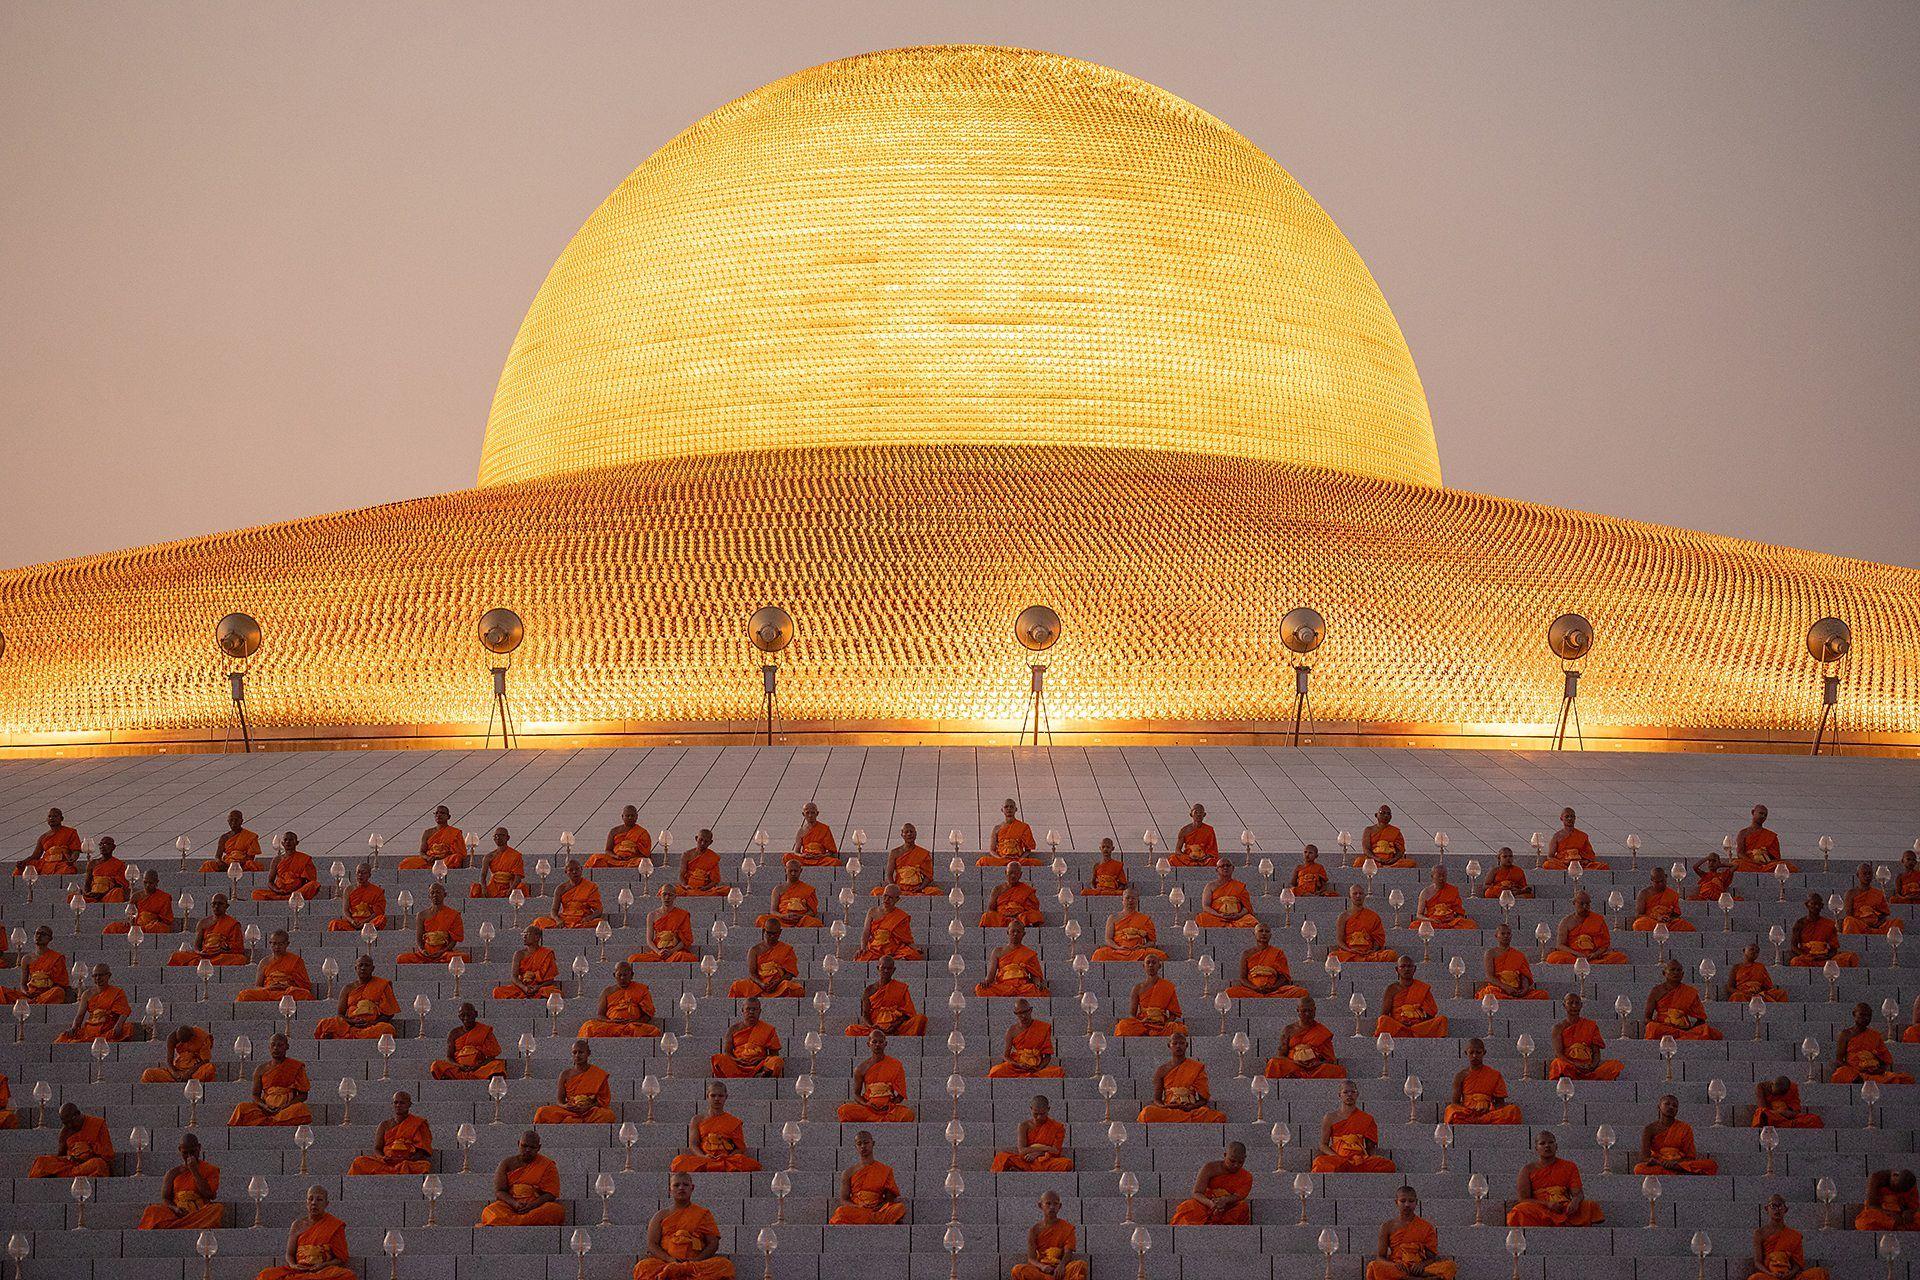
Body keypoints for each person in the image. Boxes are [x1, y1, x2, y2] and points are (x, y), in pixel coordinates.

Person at [633, 1172, 734, 1280]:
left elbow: (713, 1243)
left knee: (724, 1265)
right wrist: (669, 1259)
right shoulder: (660, 1215)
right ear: (670, 1190)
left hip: (694, 1264)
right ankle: (675, 1271)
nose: (681, 1188)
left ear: (692, 1188)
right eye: (676, 1185)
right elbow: (652, 1244)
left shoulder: (703, 1214)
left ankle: (673, 1273)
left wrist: (695, 1261)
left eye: (685, 1185)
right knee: (643, 1267)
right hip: (667, 1262)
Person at [1506, 1131, 1604, 1225]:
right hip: (1540, 1207)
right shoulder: (1527, 1169)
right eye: (1542, 1143)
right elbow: (1523, 1199)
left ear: (1556, 1146)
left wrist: (1575, 1202)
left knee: (1590, 1205)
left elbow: (1578, 1193)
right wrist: (1547, 1204)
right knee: (1519, 1210)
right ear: (1536, 1148)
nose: (1547, 1146)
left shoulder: (1569, 1166)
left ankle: (1557, 1221)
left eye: (1551, 1142)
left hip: (1563, 1207)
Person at [256, 1186, 352, 1280]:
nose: (314, 1203)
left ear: (326, 1204)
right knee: (265, 1275)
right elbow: (289, 1254)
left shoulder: (334, 1225)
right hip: (299, 1271)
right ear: (306, 1203)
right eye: (310, 1199)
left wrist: (324, 1265)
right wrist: (293, 1265)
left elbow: (341, 1258)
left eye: (319, 1200)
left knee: (347, 1275)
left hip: (322, 1271)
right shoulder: (297, 1225)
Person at [1366, 1186, 1457, 1280]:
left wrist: (1421, 1265)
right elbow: (1380, 1257)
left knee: (1450, 1266)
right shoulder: (1387, 1226)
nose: (1407, 1205)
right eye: (1403, 1201)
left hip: (1418, 1268)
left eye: (1411, 1201)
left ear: (1416, 1202)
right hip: (1399, 1267)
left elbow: (1431, 1257)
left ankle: (1408, 1278)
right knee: (1373, 1266)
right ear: (1396, 1202)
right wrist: (1395, 1264)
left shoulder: (1426, 1226)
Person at [479, 1130, 566, 1225]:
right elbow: (499, 1191)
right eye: (524, 1146)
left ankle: (511, 1223)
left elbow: (551, 1194)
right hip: (511, 1205)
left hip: (536, 1206)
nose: (528, 1150)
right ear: (518, 1144)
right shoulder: (506, 1163)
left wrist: (532, 1205)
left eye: (532, 1147)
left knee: (555, 1210)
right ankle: (523, 1222)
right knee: (489, 1211)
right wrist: (514, 1203)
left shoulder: (548, 1165)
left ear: (539, 1148)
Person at [138, 1133, 224, 1229]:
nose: (189, 1156)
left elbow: (209, 1194)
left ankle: (177, 1226)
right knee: (152, 1210)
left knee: (217, 1208)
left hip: (199, 1211)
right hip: (178, 1213)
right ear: (180, 1150)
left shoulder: (211, 1169)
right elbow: (166, 1198)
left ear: (199, 1148)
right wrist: (175, 1209)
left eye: (193, 1152)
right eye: (185, 1153)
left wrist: (195, 1171)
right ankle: (187, 1225)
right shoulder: (173, 1173)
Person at [669, 1082, 760, 1173]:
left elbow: (740, 1148)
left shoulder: (734, 1121)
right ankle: (716, 1166)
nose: (717, 1099)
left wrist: (728, 1157)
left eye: (720, 1096)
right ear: (707, 1097)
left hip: (725, 1159)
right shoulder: (697, 1120)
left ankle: (716, 1166)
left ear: (726, 1097)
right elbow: (693, 1145)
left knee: (750, 1163)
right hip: (705, 1158)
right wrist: (703, 1156)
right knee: (679, 1161)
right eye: (713, 1095)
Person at [1138, 1031, 1225, 1122]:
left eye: (1181, 1043)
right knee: (1147, 1113)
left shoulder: (1196, 1067)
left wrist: (1191, 1107)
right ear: (1169, 1046)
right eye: (1174, 1043)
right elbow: (1157, 1099)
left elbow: (1203, 1100)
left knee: (1219, 1117)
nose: (1178, 1046)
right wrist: (1165, 1106)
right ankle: (1184, 1119)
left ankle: (1183, 1118)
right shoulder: (1162, 1070)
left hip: (1190, 1110)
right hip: (1170, 1109)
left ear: (1186, 1045)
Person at [1311, 1080, 1395, 1172]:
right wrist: (1336, 1157)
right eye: (1345, 1092)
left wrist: (1370, 1160)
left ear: (1357, 1094)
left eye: (1353, 1092)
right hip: (1338, 1158)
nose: (1349, 1095)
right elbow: (1323, 1145)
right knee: (1319, 1163)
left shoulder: (1367, 1118)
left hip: (1359, 1159)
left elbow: (1370, 1147)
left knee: (1388, 1165)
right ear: (1340, 1095)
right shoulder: (1330, 1117)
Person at [229, 1033, 313, 1126]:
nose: (276, 1048)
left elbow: (303, 1095)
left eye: (280, 1045)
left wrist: (285, 1106)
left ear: (287, 1047)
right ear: (269, 1047)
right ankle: (274, 1121)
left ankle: (266, 1122)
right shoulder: (261, 1069)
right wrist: (264, 1106)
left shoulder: (296, 1066)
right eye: (273, 1045)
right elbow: (255, 1095)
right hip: (265, 1109)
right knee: (242, 1108)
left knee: (301, 1108)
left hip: (286, 1109)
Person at [828, 1129, 906, 1224]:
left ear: (873, 1143)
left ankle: (869, 1219)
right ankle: (875, 1220)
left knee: (899, 1208)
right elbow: (844, 1199)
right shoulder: (848, 1172)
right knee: (841, 1212)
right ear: (855, 1147)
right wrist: (858, 1207)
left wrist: (878, 1206)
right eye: (859, 1144)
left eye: (866, 1143)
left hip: (877, 1209)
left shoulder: (886, 1170)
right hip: (858, 1209)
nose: (863, 1146)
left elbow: (889, 1198)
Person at [347, 1090, 433, 1175]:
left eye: (402, 1103)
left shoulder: (418, 1123)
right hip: (386, 1162)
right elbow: (377, 1148)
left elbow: (422, 1150)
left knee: (424, 1165)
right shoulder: (384, 1125)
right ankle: (395, 1171)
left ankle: (396, 1170)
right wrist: (383, 1158)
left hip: (406, 1162)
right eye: (395, 1102)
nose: (398, 1105)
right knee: (359, 1162)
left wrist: (409, 1159)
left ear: (409, 1105)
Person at [837, 1029, 915, 1122]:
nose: (877, 1044)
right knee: (843, 1110)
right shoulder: (861, 1068)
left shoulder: (896, 1065)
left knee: (908, 1114)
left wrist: (891, 1104)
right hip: (869, 1107)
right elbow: (856, 1094)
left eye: (881, 1042)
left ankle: (875, 1119)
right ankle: (881, 1120)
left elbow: (901, 1094)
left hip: (889, 1108)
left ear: (885, 1044)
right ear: (868, 1044)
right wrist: (866, 1104)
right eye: (874, 1042)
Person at [533, 1039, 618, 1123]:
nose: (577, 1055)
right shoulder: (565, 1074)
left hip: (589, 1111)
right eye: (574, 1052)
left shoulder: (598, 1074)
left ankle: (573, 1121)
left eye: (580, 1052)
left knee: (608, 1115)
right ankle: (575, 1120)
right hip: (570, 1110)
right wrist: (566, 1106)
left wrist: (587, 1107)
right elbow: (560, 1101)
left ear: (588, 1053)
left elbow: (602, 1101)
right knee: (541, 1112)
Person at [314, 954, 398, 1039]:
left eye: (367, 965)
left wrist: (372, 1023)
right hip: (351, 1025)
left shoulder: (382, 985)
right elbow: (340, 1014)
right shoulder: (347, 988)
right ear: (356, 968)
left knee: (387, 1029)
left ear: (373, 968)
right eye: (360, 965)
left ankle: (348, 1036)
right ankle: (353, 1035)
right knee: (325, 1023)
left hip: (372, 1025)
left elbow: (389, 1014)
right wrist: (352, 1021)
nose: (363, 968)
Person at [1748, 1193, 1829, 1280]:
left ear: (1786, 1210)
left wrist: (1789, 1274)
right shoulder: (1760, 1233)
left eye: (1780, 1206)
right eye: (1773, 1206)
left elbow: (1797, 1264)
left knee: (1820, 1273)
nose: (1777, 1210)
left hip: (1789, 1276)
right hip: (1770, 1276)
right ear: (1766, 1209)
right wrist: (1771, 1274)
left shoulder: (1794, 1235)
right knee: (1755, 1278)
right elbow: (1757, 1262)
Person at [1012, 1190, 1088, 1280]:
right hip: (1042, 1270)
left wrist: (1061, 1265)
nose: (1052, 1207)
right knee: (1017, 1270)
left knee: (1081, 1265)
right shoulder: (1034, 1230)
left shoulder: (1067, 1228)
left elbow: (1068, 1252)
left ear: (1060, 1206)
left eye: (1055, 1204)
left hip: (1060, 1270)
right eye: (1048, 1204)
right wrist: (1042, 1267)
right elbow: (1031, 1259)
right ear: (1040, 1206)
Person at [1442, 1037, 1521, 1124]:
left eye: (1478, 1052)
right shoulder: (1460, 1075)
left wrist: (1487, 1106)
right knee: (1450, 1110)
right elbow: (1455, 1102)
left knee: (1513, 1110)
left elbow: (1500, 1103)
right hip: (1468, 1113)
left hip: (1488, 1113)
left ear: (1484, 1053)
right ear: (1466, 1053)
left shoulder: (1494, 1075)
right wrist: (1469, 1109)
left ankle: (1481, 1120)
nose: (1474, 1056)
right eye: (1471, 1052)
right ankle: (1475, 1120)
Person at [1168, 1142, 1252, 1225]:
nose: (1236, 1165)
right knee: (1190, 1206)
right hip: (1206, 1204)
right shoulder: (1210, 1168)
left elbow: (1238, 1197)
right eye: (1232, 1161)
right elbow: (1197, 1193)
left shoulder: (1246, 1177)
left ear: (1245, 1158)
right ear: (1225, 1155)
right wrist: (1211, 1204)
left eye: (1240, 1162)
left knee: (1242, 1207)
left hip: (1228, 1207)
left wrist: (1224, 1200)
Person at [1633, 1094, 1718, 1174]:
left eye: (1675, 1106)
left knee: (1711, 1165)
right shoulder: (1649, 1129)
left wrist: (1675, 1163)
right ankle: (1681, 1172)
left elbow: (1690, 1157)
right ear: (1659, 1107)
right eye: (1667, 1104)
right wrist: (1661, 1162)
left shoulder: (1685, 1128)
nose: (1671, 1107)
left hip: (1678, 1163)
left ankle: (1675, 1171)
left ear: (1677, 1110)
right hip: (1660, 1163)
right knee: (1639, 1168)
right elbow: (1644, 1157)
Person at [845, 955, 928, 1037]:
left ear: (893, 970)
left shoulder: (901, 987)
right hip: (876, 1027)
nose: (886, 971)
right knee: (851, 1029)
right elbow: (865, 1013)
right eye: (883, 968)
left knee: (921, 1019)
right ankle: (881, 1035)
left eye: (889, 968)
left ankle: (890, 1034)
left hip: (897, 1027)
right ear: (878, 968)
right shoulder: (869, 990)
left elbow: (907, 1013)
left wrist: (895, 1025)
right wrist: (872, 1026)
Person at [1547, 993, 1623, 1081]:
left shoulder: (1590, 1025)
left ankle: (1590, 1077)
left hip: (1587, 1066)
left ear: (1581, 1005)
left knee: (1614, 1065)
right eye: (1570, 1003)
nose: (1574, 1006)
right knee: (1557, 1063)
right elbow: (1558, 1054)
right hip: (1570, 1066)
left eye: (1577, 1003)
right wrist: (1575, 1064)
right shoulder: (1558, 1028)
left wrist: (1592, 1065)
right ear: (1564, 1005)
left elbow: (1596, 1052)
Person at [1832, 1002, 1913, 1084]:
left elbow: (1885, 1061)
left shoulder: (1875, 1035)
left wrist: (1879, 1070)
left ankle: (1865, 1082)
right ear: (1854, 1014)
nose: (1866, 1018)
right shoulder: (1846, 1034)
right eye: (1862, 1015)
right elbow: (1839, 1061)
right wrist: (1854, 1070)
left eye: (1869, 1016)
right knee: (1841, 1073)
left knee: (1906, 1079)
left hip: (1872, 1074)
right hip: (1854, 1073)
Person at [1264, 996, 1345, 1078]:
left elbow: (1331, 1060)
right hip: (1294, 1065)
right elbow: (1281, 1055)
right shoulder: (1289, 1030)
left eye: (1310, 1011)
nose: (1307, 1014)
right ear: (1298, 1010)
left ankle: (1296, 1076)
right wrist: (1295, 1062)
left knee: (1338, 1070)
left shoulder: (1322, 1031)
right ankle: (1296, 1074)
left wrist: (1318, 1063)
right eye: (1304, 1011)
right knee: (1273, 1063)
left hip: (1314, 1068)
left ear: (1315, 1010)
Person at [1642, 958, 1721, 1040]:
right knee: (1652, 1027)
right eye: (1672, 970)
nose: (1676, 972)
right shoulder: (1656, 991)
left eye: (1679, 970)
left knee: (1706, 1029)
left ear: (1682, 974)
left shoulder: (1689, 992)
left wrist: (1689, 1030)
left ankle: (1685, 1035)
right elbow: (1647, 1018)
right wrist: (1663, 1026)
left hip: (1684, 1029)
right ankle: (1683, 1036)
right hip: (1663, 1029)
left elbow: (1701, 1020)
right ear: (1664, 973)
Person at [28, 1102, 113, 1177]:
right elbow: (61, 1156)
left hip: (89, 1163)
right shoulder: (66, 1131)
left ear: (78, 1114)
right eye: (66, 1123)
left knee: (99, 1164)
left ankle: (63, 1175)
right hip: (73, 1166)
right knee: (41, 1161)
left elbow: (108, 1155)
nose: (69, 1126)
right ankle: (70, 1174)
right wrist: (71, 1157)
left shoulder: (98, 1124)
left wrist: (88, 1149)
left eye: (71, 1122)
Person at [991, 1095, 1072, 1172]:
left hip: (1045, 1160)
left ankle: (1024, 1170)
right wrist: (1046, 1148)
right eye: (1036, 1114)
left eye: (1042, 1114)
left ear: (1048, 1109)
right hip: (1027, 1160)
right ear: (1031, 1109)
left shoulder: (1058, 1127)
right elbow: (1022, 1150)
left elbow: (1056, 1151)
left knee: (1067, 1163)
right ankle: (1027, 1169)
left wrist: (1038, 1153)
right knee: (1001, 1157)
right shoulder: (1024, 1126)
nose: (1039, 1117)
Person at [1224, 922, 1307, 998]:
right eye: (1260, 931)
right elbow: (1243, 978)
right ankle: (1260, 995)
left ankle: (1267, 995)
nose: (1264, 933)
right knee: (1229, 992)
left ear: (1270, 935)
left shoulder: (1278, 953)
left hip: (1274, 990)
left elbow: (1283, 977)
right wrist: (1255, 988)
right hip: (1253, 990)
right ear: (1254, 934)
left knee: (1302, 992)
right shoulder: (1247, 953)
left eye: (1267, 931)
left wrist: (1273, 987)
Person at [580, 961, 661, 1038]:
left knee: (653, 1031)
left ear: (632, 975)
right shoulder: (607, 991)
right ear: (614, 975)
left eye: (625, 975)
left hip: (631, 1026)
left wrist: (636, 1022)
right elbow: (600, 1015)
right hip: (611, 1025)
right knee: (588, 1027)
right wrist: (610, 1021)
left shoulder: (642, 989)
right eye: (619, 975)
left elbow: (648, 1015)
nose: (622, 978)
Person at [987, 998, 1063, 1078]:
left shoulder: (1043, 1027)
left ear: (1030, 1010)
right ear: (1015, 1013)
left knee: (1058, 1071)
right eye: (1019, 1013)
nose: (1023, 1016)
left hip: (1036, 1066)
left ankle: (1033, 1074)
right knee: (995, 1071)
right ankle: (1029, 1075)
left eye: (1025, 1012)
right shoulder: (1012, 1030)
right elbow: (1006, 1056)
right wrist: (1018, 1064)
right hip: (1017, 1066)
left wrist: (1038, 1068)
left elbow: (1047, 1056)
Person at [55, 962, 130, 1042]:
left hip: (108, 1027)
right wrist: (73, 1028)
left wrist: (119, 1025)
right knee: (63, 1037)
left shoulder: (117, 992)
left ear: (109, 975)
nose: (98, 978)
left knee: (127, 1028)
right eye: (95, 975)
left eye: (101, 975)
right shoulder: (87, 994)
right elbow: (80, 1015)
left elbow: (124, 1011)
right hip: (90, 1028)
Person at [1545, 890, 1626, 964]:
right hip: (1574, 956)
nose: (1585, 907)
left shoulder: (1598, 919)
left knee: (1619, 957)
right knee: (1553, 958)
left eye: (1587, 904)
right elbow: (1560, 945)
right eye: (1581, 903)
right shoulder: (1566, 922)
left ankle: (1592, 962)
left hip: (1594, 956)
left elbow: (1605, 945)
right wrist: (1577, 954)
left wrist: (1595, 954)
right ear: (1574, 903)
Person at [397, 883, 469, 964]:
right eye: (432, 893)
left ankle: (438, 959)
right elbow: (419, 939)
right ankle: (431, 960)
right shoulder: (422, 915)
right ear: (429, 896)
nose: (435, 895)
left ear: (444, 894)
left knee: (464, 957)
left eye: (438, 892)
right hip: (425, 954)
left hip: (444, 953)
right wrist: (423, 951)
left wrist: (442, 952)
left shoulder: (453, 914)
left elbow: (453, 940)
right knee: (401, 958)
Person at [1375, 956, 1447, 1038]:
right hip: (1399, 1026)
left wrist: (1417, 1019)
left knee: (1442, 1020)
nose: (1406, 969)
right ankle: (1413, 1034)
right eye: (1403, 966)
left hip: (1418, 1027)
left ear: (1415, 969)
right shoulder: (1391, 989)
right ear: (1397, 969)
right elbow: (1384, 1014)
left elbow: (1431, 1014)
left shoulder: (1422, 988)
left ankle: (1415, 1033)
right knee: (1383, 1020)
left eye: (1409, 966)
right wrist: (1401, 1021)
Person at [1114, 954, 1185, 1036]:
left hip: (1161, 1023)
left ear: (1159, 966)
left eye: (1154, 963)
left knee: (1178, 1029)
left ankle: (1152, 1032)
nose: (1151, 965)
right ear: (1144, 966)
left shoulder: (1167, 986)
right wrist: (1141, 1022)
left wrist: (1165, 1024)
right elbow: (1132, 1014)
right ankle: (1146, 1031)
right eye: (1148, 963)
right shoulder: (1137, 988)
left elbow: (1173, 1014)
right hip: (1143, 1023)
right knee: (1122, 1026)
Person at [729, 920, 803, 998]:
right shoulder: (754, 950)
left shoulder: (786, 949)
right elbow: (752, 973)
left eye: (775, 934)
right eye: (769, 933)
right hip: (759, 984)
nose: (772, 936)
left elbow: (790, 973)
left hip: (778, 984)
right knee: (736, 986)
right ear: (764, 931)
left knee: (796, 989)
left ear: (780, 932)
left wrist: (777, 982)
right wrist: (761, 984)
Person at [168, 893, 247, 966]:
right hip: (205, 955)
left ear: (227, 906)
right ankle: (203, 963)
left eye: (220, 904)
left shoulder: (233, 924)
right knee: (177, 956)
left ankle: (202, 964)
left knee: (240, 959)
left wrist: (222, 950)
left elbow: (238, 948)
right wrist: (200, 953)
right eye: (214, 904)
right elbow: (197, 946)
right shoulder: (203, 922)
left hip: (220, 955)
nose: (216, 906)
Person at [711, 998, 783, 1077]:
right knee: (718, 1059)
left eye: (754, 1009)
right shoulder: (733, 1029)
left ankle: (759, 1073)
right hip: (738, 1064)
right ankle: (754, 1075)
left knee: (777, 1061)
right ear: (742, 1010)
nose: (751, 1012)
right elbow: (727, 1052)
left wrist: (761, 1059)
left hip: (760, 1065)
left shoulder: (768, 1029)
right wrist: (736, 1060)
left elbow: (774, 1054)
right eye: (748, 1009)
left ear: (760, 1011)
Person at [432, 1002, 507, 1079]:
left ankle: (459, 1077)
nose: (466, 1018)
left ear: (476, 1014)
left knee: (498, 1064)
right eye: (462, 1015)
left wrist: (477, 1066)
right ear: (459, 1016)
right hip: (459, 1069)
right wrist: (460, 1066)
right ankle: (469, 1076)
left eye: (469, 1015)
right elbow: (449, 1057)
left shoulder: (484, 1030)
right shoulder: (454, 1033)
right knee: (436, 1065)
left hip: (479, 1068)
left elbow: (492, 1056)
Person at [236, 929, 314, 1002]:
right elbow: (257, 986)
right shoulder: (264, 962)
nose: (277, 947)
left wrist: (287, 987)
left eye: (280, 944)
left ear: (287, 944)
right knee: (244, 995)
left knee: (305, 995)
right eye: (274, 943)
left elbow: (305, 986)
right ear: (270, 943)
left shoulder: (296, 961)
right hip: (269, 992)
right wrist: (269, 987)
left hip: (287, 993)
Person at [975, 921, 1048, 997]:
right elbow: (991, 975)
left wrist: (1038, 984)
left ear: (1023, 934)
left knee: (1044, 992)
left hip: (1022, 987)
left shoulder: (1029, 953)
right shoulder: (998, 951)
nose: (1015, 934)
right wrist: (986, 982)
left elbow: (1035, 975)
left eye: (1018, 931)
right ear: (1007, 932)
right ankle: (1012, 993)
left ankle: (1013, 994)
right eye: (1013, 931)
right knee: (980, 989)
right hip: (1004, 986)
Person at [1090, 887, 1164, 962]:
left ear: (1137, 900)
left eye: (1133, 898)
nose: (1130, 900)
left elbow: (1152, 942)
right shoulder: (1113, 917)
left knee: (1160, 955)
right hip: (1118, 951)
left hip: (1137, 951)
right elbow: (1108, 939)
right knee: (1099, 954)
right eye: (1127, 898)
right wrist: (1118, 947)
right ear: (1122, 900)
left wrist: (1142, 947)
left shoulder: (1145, 919)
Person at [1, 925, 70, 1002]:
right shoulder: (27, 959)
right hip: (30, 994)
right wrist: (26, 992)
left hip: (46, 993)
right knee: (1, 990)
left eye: (43, 934)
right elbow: (23, 984)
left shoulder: (57, 957)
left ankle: (31, 1002)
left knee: (58, 991)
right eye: (37, 933)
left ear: (50, 939)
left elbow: (62, 984)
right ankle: (31, 1002)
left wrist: (44, 980)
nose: (39, 936)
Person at [1478, 923, 1547, 1000]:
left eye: (1508, 933)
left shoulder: (1519, 955)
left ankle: (1516, 997)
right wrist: (1505, 987)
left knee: (1542, 995)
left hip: (1516, 989)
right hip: (1499, 988)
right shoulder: (1490, 953)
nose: (1506, 936)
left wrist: (1524, 990)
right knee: (1490, 993)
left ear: (1511, 936)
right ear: (1496, 936)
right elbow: (1490, 977)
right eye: (1503, 933)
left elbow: (1524, 976)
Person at [1788, 893, 1858, 968]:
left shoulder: (1829, 924)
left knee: (1850, 958)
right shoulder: (1800, 923)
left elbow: (1834, 949)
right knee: (1795, 961)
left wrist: (1826, 956)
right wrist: (1805, 955)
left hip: (1824, 959)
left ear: (1822, 906)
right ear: (1807, 905)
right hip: (1807, 958)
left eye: (1819, 904)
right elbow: (1793, 946)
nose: (1816, 907)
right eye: (1813, 904)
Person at [854, 885, 922, 961]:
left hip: (894, 949)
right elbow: (866, 932)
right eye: (885, 896)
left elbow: (907, 938)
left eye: (890, 898)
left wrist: (915, 949)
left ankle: (893, 959)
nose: (886, 899)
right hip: (876, 948)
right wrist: (863, 948)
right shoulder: (872, 911)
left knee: (914, 955)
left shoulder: (901, 916)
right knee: (860, 958)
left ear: (897, 899)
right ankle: (892, 960)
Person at [631, 885, 698, 963]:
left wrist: (671, 951)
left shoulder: (683, 914)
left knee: (688, 958)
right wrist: (658, 952)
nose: (667, 897)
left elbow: (686, 939)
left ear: (675, 897)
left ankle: (666, 960)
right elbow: (649, 940)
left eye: (670, 895)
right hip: (658, 952)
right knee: (633, 959)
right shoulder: (652, 915)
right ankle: (662, 960)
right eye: (664, 894)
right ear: (660, 895)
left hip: (675, 951)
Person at [533, 857, 604, 930]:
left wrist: (589, 918)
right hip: (565, 920)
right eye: (571, 870)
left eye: (577, 869)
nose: (574, 872)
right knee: (539, 921)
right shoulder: (561, 888)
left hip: (582, 920)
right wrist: (558, 920)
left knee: (599, 922)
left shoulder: (591, 886)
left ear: (581, 870)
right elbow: (554, 910)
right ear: (566, 872)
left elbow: (599, 910)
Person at [1333, 884, 1397, 963]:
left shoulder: (1373, 916)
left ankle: (1363, 959)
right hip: (1350, 953)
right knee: (1333, 956)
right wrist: (1350, 950)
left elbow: (1378, 939)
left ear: (1364, 896)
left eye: (1360, 893)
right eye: (1355, 893)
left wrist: (1372, 950)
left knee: (1391, 955)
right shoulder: (1343, 917)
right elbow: (1339, 941)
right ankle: (1361, 959)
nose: (1358, 896)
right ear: (1349, 897)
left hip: (1369, 953)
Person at [494, 924, 561, 997]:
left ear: (537, 937)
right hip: (523, 986)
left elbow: (550, 979)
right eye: (523, 934)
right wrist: (524, 987)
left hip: (539, 987)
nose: (524, 936)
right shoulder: (519, 954)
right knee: (497, 991)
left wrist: (538, 987)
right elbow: (514, 977)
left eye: (527, 934)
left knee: (552, 992)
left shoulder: (547, 953)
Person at [251, 833, 319, 901]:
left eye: (291, 840)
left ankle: (289, 897)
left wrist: (294, 888)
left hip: (297, 891)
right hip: (280, 891)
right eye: (285, 840)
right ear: (282, 843)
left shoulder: (304, 858)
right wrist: (277, 890)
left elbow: (309, 881)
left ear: (297, 843)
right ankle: (288, 898)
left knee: (313, 885)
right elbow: (270, 881)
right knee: (256, 893)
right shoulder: (277, 859)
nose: (288, 842)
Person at [107, 868, 175, 936]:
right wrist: (131, 922)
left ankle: (139, 931)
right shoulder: (136, 896)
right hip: (137, 925)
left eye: (151, 883)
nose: (147, 885)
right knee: (113, 927)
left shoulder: (164, 897)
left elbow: (167, 920)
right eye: (145, 882)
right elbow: (130, 914)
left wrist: (151, 917)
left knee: (161, 928)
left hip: (152, 926)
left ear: (157, 882)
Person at [14, 807, 81, 876]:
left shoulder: (70, 832)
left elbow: (76, 850)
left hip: (62, 863)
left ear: (61, 819)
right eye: (49, 816)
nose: (51, 818)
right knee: (23, 867)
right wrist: (23, 862)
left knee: (68, 870)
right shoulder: (43, 837)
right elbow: (35, 856)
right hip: (45, 863)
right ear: (47, 819)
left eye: (55, 816)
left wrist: (72, 859)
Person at [756, 861, 822, 929]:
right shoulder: (778, 889)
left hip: (800, 920)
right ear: (785, 870)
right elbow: (773, 911)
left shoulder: (808, 889)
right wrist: (783, 916)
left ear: (801, 871)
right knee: (761, 919)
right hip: (782, 920)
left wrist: (800, 916)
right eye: (790, 871)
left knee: (816, 923)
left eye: (796, 871)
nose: (793, 873)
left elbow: (812, 912)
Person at [878, 822, 940, 895]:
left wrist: (921, 887)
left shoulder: (924, 853)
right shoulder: (895, 852)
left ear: (915, 834)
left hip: (917, 888)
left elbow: (929, 875)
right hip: (899, 887)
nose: (909, 834)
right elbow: (889, 874)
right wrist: (894, 887)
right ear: (902, 835)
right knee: (877, 891)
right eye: (906, 832)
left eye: (911, 831)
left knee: (935, 892)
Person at [142, 1024, 216, 1083]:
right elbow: (169, 1061)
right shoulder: (172, 1038)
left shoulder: (202, 1037)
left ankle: (189, 1081)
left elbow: (205, 1061)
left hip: (195, 1071)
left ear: (192, 1036)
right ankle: (182, 1080)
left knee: (209, 1068)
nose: (181, 1044)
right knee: (148, 1073)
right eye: (179, 1041)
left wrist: (189, 1072)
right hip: (178, 1069)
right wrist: (175, 1073)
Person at [980, 862, 1044, 928]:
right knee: (986, 916)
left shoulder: (1027, 889)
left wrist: (1017, 913)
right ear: (1005, 872)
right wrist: (1005, 913)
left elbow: (1033, 908)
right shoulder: (997, 889)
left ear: (1020, 875)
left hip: (1019, 917)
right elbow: (991, 909)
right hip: (1002, 918)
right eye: (1010, 873)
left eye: (1016, 873)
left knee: (1036, 915)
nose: (1013, 876)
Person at [402, 805, 467, 871]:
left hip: (445, 860)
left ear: (448, 817)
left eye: (442, 813)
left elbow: (460, 853)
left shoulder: (455, 832)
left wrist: (441, 857)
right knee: (407, 862)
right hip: (429, 861)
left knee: (456, 858)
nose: (438, 815)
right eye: (436, 813)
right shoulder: (428, 832)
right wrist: (427, 858)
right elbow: (422, 852)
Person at [1195, 858, 1256, 927]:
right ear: (1217, 870)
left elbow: (1246, 907)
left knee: (1251, 920)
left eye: (1228, 865)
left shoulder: (1239, 886)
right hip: (1217, 917)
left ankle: (1229, 924)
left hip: (1237, 917)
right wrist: (1219, 915)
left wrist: (1238, 915)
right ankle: (1229, 924)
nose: (1225, 867)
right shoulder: (1210, 886)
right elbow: (1206, 906)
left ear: (1233, 868)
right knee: (1202, 918)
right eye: (1222, 866)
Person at [1734, 805, 1796, 873]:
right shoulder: (1743, 833)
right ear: (1753, 812)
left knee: (1787, 866)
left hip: (1766, 865)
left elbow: (1776, 858)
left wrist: (1764, 857)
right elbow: (1740, 853)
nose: (1763, 816)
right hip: (1750, 863)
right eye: (1761, 813)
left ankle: (1763, 869)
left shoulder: (1771, 835)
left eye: (1765, 815)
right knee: (1736, 863)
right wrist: (1754, 862)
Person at [1631, 867, 1694, 932]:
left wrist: (1668, 918)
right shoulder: (1644, 893)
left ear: (1666, 877)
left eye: (1662, 881)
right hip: (1652, 921)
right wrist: (1657, 917)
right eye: (1657, 882)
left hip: (1667, 923)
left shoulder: (1672, 893)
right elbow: (1638, 915)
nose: (1660, 884)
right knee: (1638, 924)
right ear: (1652, 880)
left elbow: (1676, 914)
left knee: (1687, 926)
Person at [1854, 1170, 1920, 1231]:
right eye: (1895, 1187)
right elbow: (1871, 1205)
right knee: (1864, 1222)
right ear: (1895, 1175)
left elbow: (1915, 1206)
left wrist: (1908, 1212)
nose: (1896, 1191)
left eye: (1900, 1191)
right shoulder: (1876, 1178)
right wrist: (1890, 1214)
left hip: (1901, 1216)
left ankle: (1896, 1227)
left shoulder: (1910, 1183)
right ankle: (1897, 1227)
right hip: (1882, 1213)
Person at [331, 862, 388, 931]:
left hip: (369, 922)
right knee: (334, 923)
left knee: (381, 919)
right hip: (353, 923)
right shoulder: (349, 889)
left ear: (369, 875)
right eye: (358, 872)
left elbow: (377, 912)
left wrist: (364, 922)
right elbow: (345, 910)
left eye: (363, 873)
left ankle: (365, 930)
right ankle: (354, 931)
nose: (360, 875)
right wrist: (351, 921)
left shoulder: (377, 891)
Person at [470, 827, 526, 898]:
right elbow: (483, 875)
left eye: (501, 835)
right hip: (493, 887)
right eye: (496, 836)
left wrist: (511, 889)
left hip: (509, 885)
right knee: (475, 888)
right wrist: (484, 888)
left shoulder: (516, 855)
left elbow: (518, 877)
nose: (498, 838)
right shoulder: (489, 856)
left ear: (508, 838)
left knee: (522, 888)